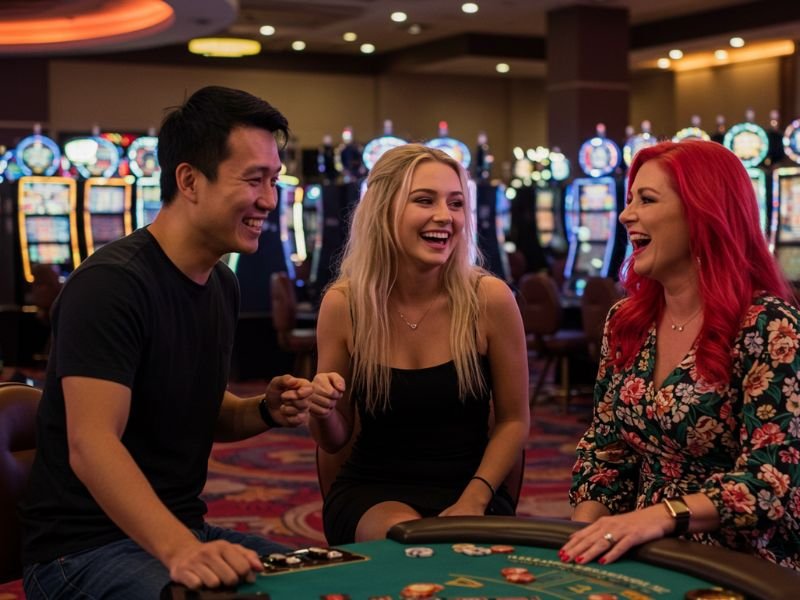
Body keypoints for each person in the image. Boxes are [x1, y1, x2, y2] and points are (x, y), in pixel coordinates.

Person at [20, 86, 313, 598]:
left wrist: (262, 411)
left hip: (179, 530)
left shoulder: (220, 283)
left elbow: (197, 407)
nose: (270, 199)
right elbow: (93, 444)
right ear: (189, 180)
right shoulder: (111, 285)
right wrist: (181, 550)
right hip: (82, 552)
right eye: (254, 179)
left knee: (325, 579)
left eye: (273, 180)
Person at [563, 139, 800, 570]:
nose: (625, 214)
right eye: (629, 198)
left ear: (702, 213)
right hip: (641, 546)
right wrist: (582, 538)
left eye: (647, 199)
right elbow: (605, 451)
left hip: (742, 560)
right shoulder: (626, 319)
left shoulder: (767, 324)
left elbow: (771, 482)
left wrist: (658, 518)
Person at [304, 143, 530, 545]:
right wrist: (320, 409)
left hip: (472, 487)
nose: (445, 216)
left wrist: (474, 499)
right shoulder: (345, 305)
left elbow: (514, 421)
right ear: (383, 210)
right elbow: (334, 439)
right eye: (425, 200)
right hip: (372, 492)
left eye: (457, 203)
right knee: (412, 542)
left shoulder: (490, 299)